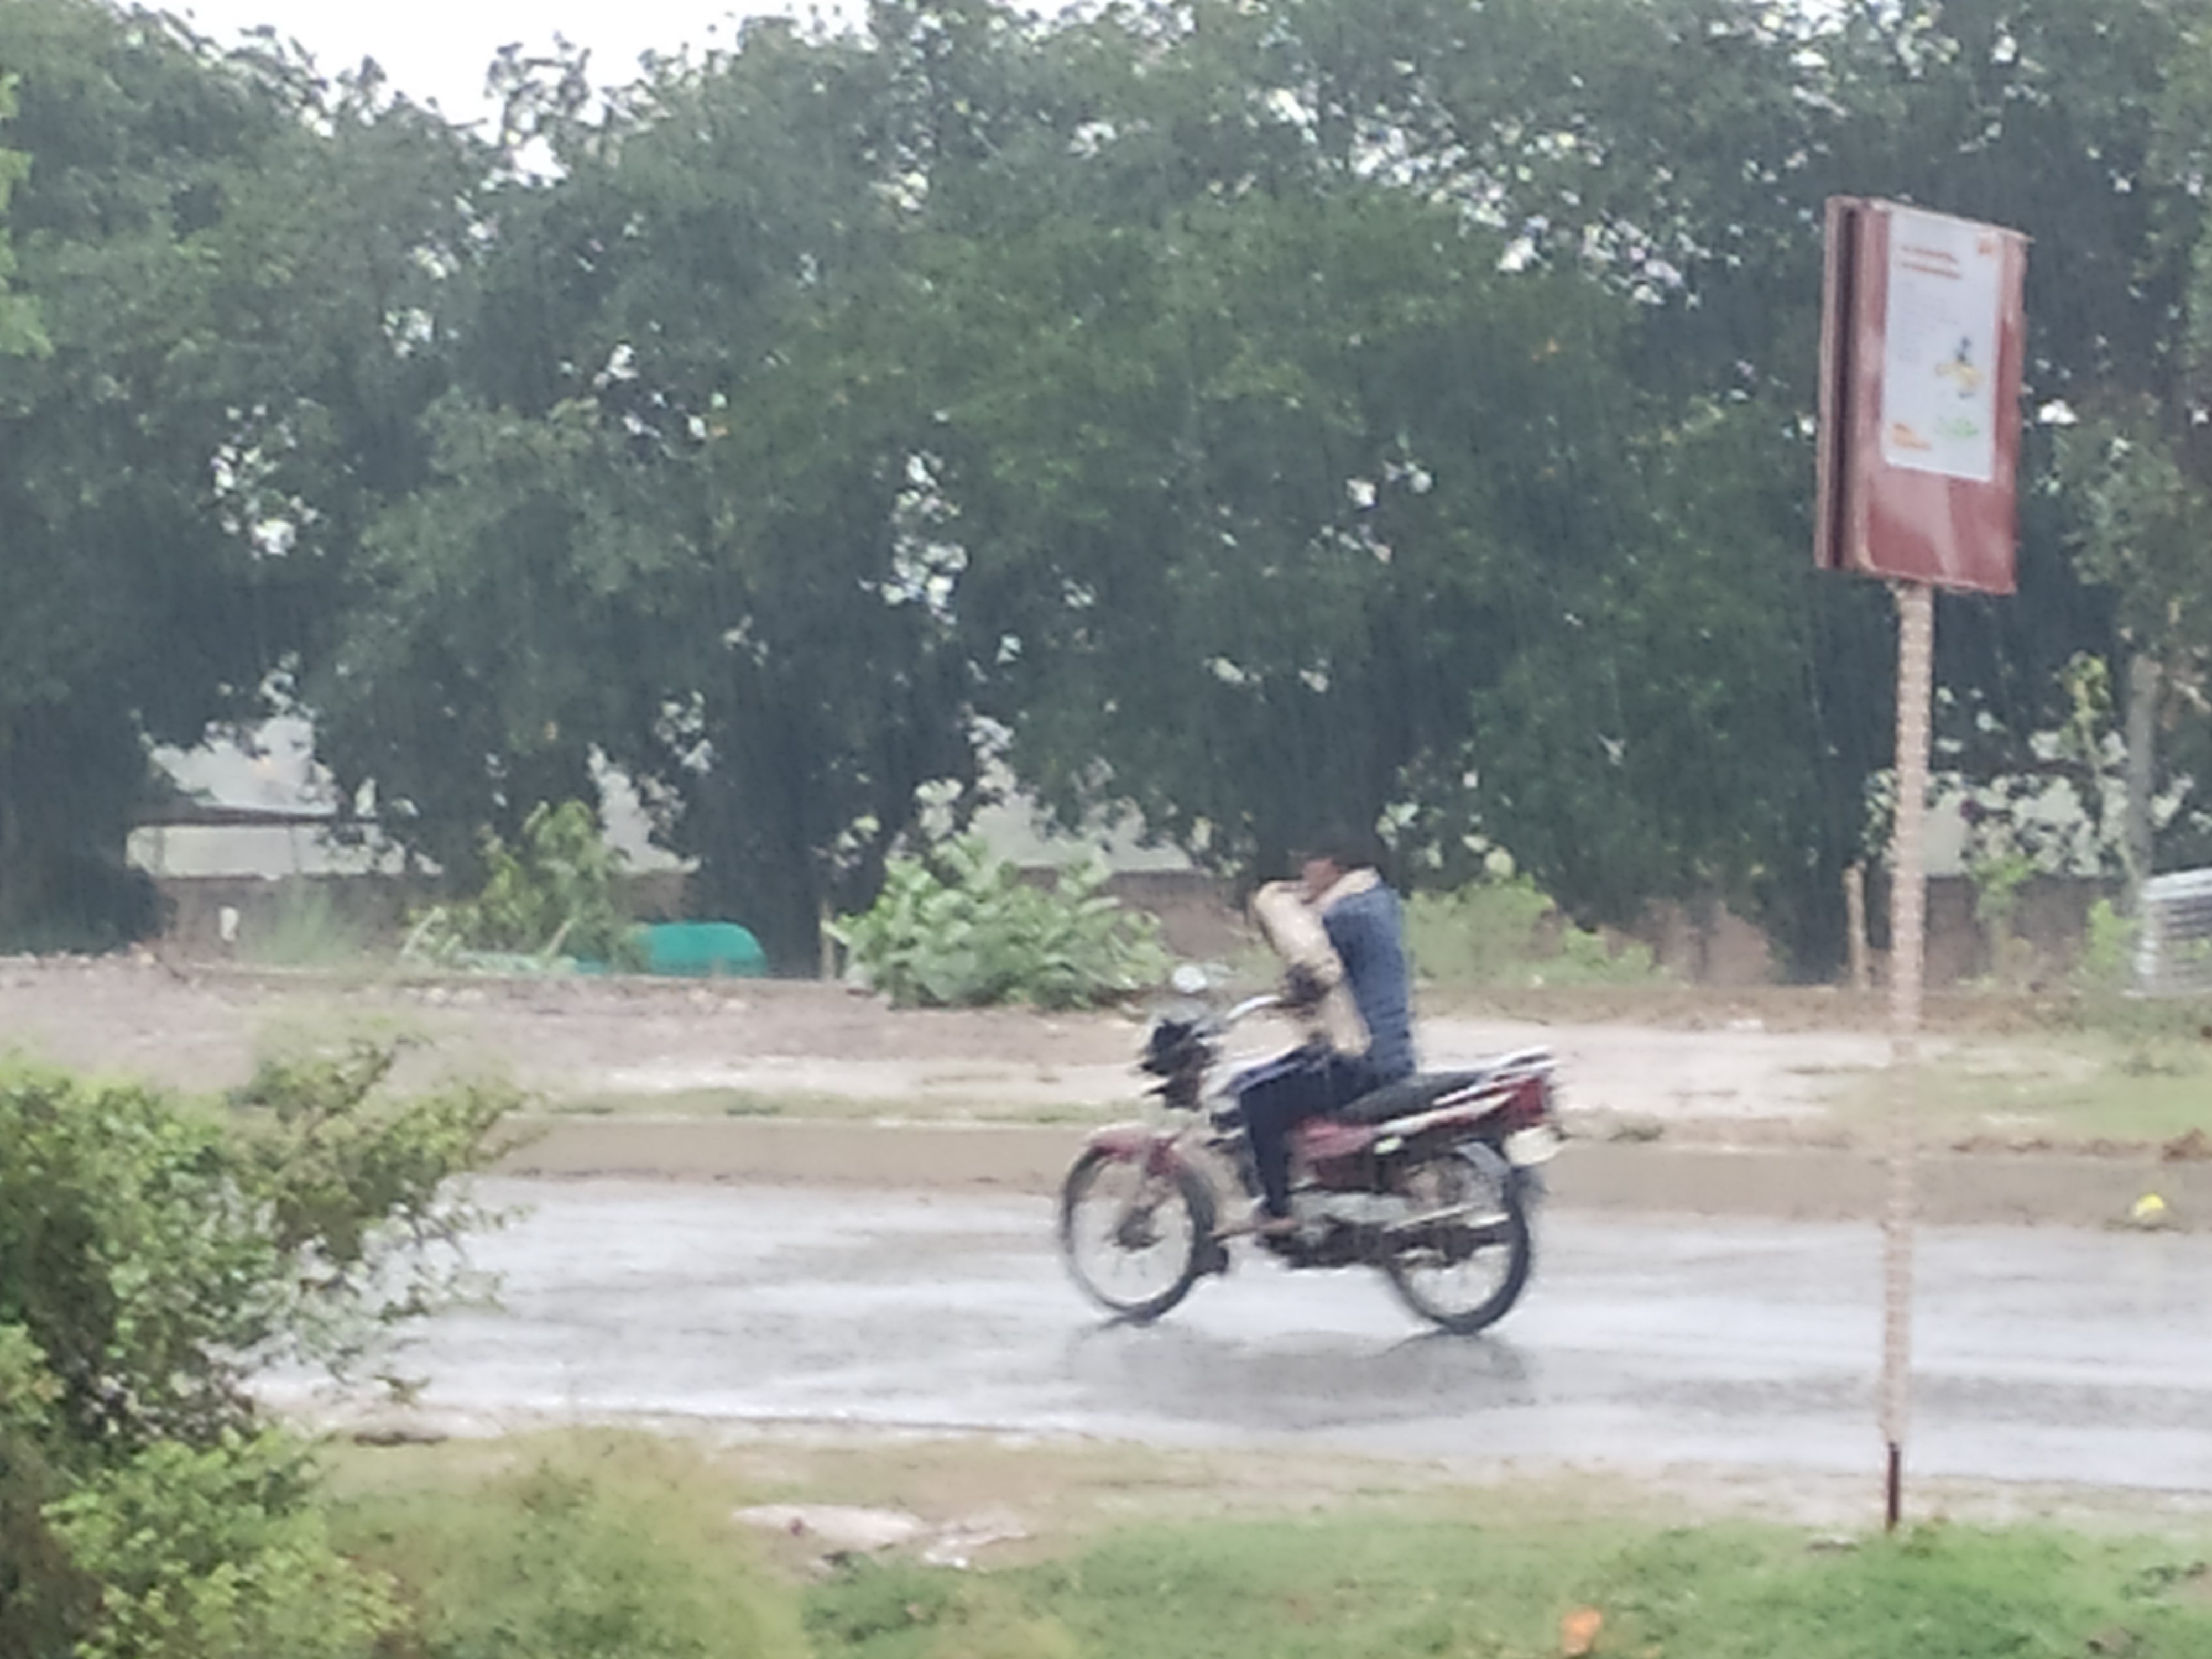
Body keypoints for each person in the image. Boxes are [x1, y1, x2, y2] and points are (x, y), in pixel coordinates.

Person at [1226, 828, 1415, 1236]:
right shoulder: (1381, 902)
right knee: (1284, 1073)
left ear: (1331, 865)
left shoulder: (1341, 916)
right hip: (1395, 1056)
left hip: (1358, 1059)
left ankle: (1277, 1209)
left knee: (1255, 1095)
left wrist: (1287, 996)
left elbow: (1315, 973)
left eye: (1308, 863)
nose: (1303, 874)